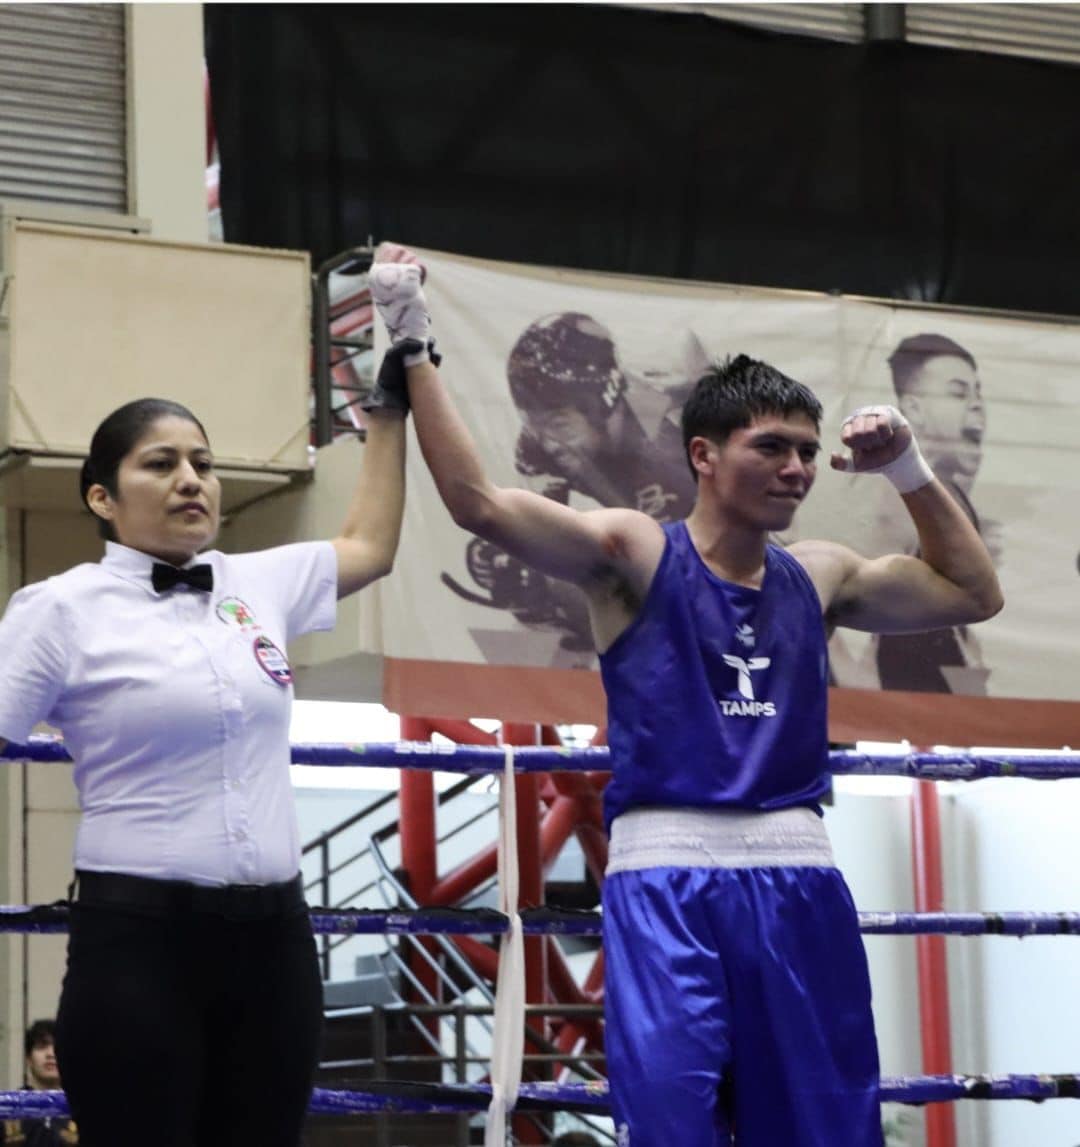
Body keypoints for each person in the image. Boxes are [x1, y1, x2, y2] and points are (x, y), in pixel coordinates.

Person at [364, 250, 1003, 1146]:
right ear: (703, 454)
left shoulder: (821, 574)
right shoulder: (635, 553)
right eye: (770, 447)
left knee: (820, 1127)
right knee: (671, 1125)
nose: (796, 468)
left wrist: (906, 468)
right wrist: (413, 342)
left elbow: (973, 593)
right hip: (666, 883)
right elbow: (478, 504)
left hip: (798, 881)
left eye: (807, 451)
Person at [0, 376, 408, 1147]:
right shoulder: (60, 609)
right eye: (161, 463)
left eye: (204, 463)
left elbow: (370, 546)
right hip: (138, 945)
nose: (191, 479)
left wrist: (387, 416)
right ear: (101, 497)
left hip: (276, 943)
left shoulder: (257, 582)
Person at [442, 312, 702, 656]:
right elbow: (541, 532)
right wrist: (509, 554)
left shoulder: (674, 434)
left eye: (558, 423)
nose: (547, 440)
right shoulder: (538, 445)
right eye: (533, 421)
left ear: (602, 403)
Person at [873, 332, 994, 693]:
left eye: (978, 393)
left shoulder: (949, 496)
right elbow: (851, 635)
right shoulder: (890, 498)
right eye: (958, 393)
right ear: (913, 409)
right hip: (891, 710)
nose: (977, 405)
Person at [0, 1020, 78, 1145]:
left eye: (58, 1047)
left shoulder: (83, 1111)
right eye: (42, 1047)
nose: (51, 1054)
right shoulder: (9, 1109)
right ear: (28, 1059)